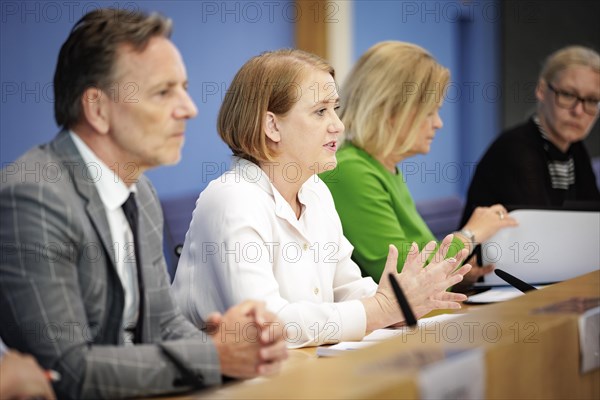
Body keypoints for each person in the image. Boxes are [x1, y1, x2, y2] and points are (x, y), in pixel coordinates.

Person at [0, 9, 287, 400]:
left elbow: (163, 324)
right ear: (98, 109)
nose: (189, 108)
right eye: (163, 91)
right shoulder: (33, 195)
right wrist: (214, 357)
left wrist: (240, 347)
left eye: (183, 87)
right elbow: (68, 370)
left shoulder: (141, 191)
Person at [171, 49, 471, 348]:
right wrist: (380, 310)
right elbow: (268, 324)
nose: (338, 125)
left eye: (335, 109)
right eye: (320, 111)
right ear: (272, 126)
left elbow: (347, 287)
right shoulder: (232, 199)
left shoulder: (315, 191)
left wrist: (401, 304)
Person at [318, 41, 517, 288]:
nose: (438, 123)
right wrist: (469, 235)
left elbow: (418, 264)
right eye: (429, 112)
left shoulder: (383, 167)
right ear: (390, 111)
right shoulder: (351, 170)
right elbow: (401, 274)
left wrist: (458, 275)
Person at [462, 45, 600, 225]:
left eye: (591, 100)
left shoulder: (575, 149)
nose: (579, 111)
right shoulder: (515, 148)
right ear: (542, 90)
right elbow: (541, 230)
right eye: (568, 94)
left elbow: (591, 220)